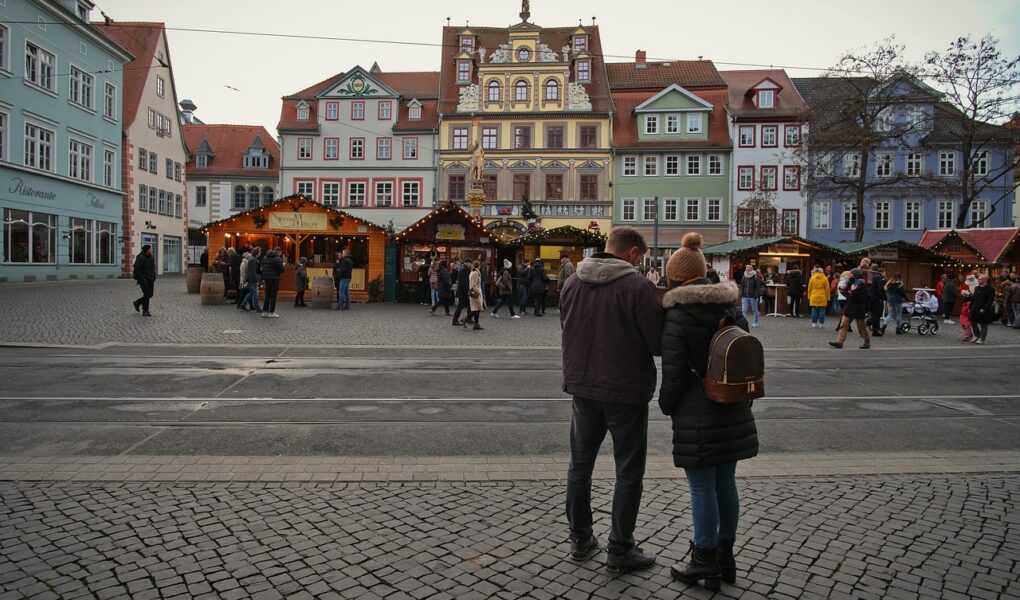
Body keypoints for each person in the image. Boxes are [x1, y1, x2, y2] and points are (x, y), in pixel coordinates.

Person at [560, 226, 663, 573]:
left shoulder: (573, 282)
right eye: (642, 257)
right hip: (626, 390)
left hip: (583, 386)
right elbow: (657, 343)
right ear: (633, 253)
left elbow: (566, 326)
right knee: (628, 471)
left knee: (580, 465)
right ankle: (620, 547)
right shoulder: (638, 287)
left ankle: (579, 537)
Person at [658, 232, 757, 591]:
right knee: (725, 482)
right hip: (732, 404)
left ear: (676, 277)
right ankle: (725, 557)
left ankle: (703, 558)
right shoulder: (729, 307)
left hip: (697, 410)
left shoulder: (679, 316)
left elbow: (672, 376)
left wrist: (666, 405)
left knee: (701, 487)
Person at [829, 268, 871, 349]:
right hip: (849, 307)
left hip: (858, 308)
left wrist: (853, 292)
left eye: (851, 273)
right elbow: (847, 294)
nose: (850, 275)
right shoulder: (849, 282)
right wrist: (843, 291)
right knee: (843, 324)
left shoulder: (861, 284)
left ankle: (866, 340)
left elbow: (862, 297)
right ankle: (840, 342)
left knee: (861, 327)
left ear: (856, 274)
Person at [131, 244, 156, 317]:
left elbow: (152, 268)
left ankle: (137, 303)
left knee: (150, 294)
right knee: (147, 294)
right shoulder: (140, 258)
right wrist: (142, 279)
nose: (152, 250)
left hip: (150, 279)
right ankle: (145, 310)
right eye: (150, 249)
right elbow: (137, 270)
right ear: (147, 250)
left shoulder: (151, 257)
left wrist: (154, 276)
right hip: (143, 280)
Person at [969, 274, 995, 345]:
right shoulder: (976, 288)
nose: (978, 280)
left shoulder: (990, 289)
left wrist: (984, 308)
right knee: (972, 321)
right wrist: (970, 307)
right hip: (975, 308)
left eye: (980, 279)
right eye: (978, 279)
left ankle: (981, 338)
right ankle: (977, 335)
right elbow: (973, 298)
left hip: (984, 309)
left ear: (985, 280)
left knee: (984, 324)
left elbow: (990, 300)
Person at [260, 247, 284, 318]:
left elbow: (262, 268)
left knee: (267, 295)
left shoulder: (264, 258)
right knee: (273, 295)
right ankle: (271, 312)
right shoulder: (278, 259)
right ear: (278, 252)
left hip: (266, 278)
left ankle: (264, 311)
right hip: (275, 278)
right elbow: (281, 269)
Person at [464, 260, 485, 330]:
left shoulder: (472, 272)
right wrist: (477, 292)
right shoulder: (475, 273)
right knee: (477, 309)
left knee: (477, 309)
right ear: (478, 266)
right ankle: (466, 318)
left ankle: (476, 324)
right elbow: (473, 284)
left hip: (474, 292)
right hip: (475, 293)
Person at [867, 264, 887, 336]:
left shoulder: (872, 277)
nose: (885, 274)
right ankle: (868, 322)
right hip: (877, 299)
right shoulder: (879, 277)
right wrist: (884, 297)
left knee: (875, 314)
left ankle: (875, 331)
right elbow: (880, 289)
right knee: (877, 314)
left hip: (872, 298)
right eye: (885, 273)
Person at [241, 247, 262, 312]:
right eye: (259, 252)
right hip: (253, 279)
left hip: (252, 279)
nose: (260, 253)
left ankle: (243, 304)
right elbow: (252, 272)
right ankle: (257, 307)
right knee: (255, 293)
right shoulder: (253, 260)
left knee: (252, 292)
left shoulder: (253, 259)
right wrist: (255, 280)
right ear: (257, 253)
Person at [451, 259, 470, 326]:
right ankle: (455, 320)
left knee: (469, 305)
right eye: (470, 263)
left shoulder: (465, 269)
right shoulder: (462, 270)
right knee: (460, 306)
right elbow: (464, 282)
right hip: (463, 292)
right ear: (467, 263)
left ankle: (469, 318)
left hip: (464, 291)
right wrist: (468, 290)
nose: (470, 265)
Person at [959, 273, 977, 342]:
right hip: (966, 304)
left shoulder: (977, 285)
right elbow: (962, 290)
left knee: (972, 320)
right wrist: (965, 292)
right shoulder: (965, 284)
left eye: (972, 279)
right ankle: (967, 334)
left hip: (974, 304)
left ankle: (972, 334)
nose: (971, 280)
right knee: (964, 319)